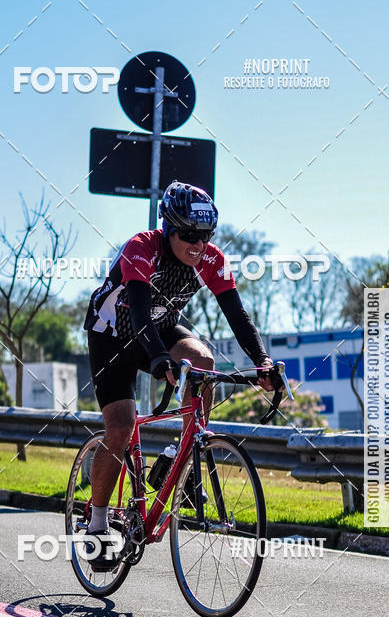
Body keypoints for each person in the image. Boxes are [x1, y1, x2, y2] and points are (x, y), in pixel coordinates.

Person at [83, 180, 275, 570]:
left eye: (205, 235)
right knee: (120, 427)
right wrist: (156, 358)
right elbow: (137, 314)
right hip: (113, 335)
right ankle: (98, 523)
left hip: (160, 326)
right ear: (168, 228)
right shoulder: (141, 248)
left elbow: (237, 315)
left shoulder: (211, 259)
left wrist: (263, 363)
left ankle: (183, 456)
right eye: (188, 234)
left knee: (203, 362)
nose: (198, 244)